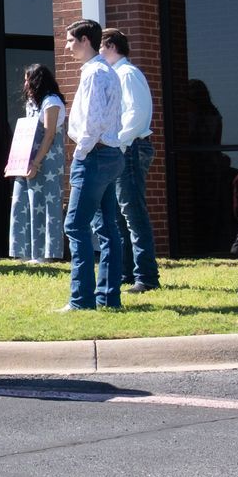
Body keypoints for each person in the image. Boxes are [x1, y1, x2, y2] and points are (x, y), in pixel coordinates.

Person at [62, 19, 127, 311]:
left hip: (95, 155)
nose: (67, 47)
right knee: (108, 228)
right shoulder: (109, 72)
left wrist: (80, 152)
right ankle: (108, 298)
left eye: (71, 41)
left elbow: (93, 122)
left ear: (86, 40)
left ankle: (81, 301)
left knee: (75, 226)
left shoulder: (94, 74)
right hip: (111, 154)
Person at [102, 29, 159, 293]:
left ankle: (146, 277)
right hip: (124, 148)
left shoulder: (128, 74)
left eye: (100, 46)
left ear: (111, 46)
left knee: (132, 213)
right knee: (119, 216)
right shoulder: (117, 75)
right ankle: (126, 273)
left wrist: (117, 141)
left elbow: (137, 114)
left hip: (131, 148)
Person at [8, 64, 67, 266]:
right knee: (22, 201)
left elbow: (49, 135)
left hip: (47, 160)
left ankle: (46, 254)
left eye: (27, 79)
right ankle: (23, 251)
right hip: (28, 158)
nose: (25, 84)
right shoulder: (32, 103)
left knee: (45, 203)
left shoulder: (52, 102)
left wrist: (35, 162)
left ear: (37, 80)